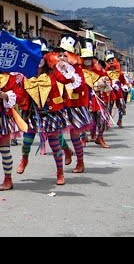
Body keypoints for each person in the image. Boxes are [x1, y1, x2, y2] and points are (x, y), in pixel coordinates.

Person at [16, 38, 80, 185]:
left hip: (51, 113)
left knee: (54, 143)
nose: (39, 58)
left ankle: (60, 173)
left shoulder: (53, 72)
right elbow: (20, 93)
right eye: (35, 55)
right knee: (26, 142)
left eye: (41, 55)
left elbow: (64, 80)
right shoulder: (25, 74)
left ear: (46, 57)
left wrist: (67, 74)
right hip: (32, 113)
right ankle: (24, 159)